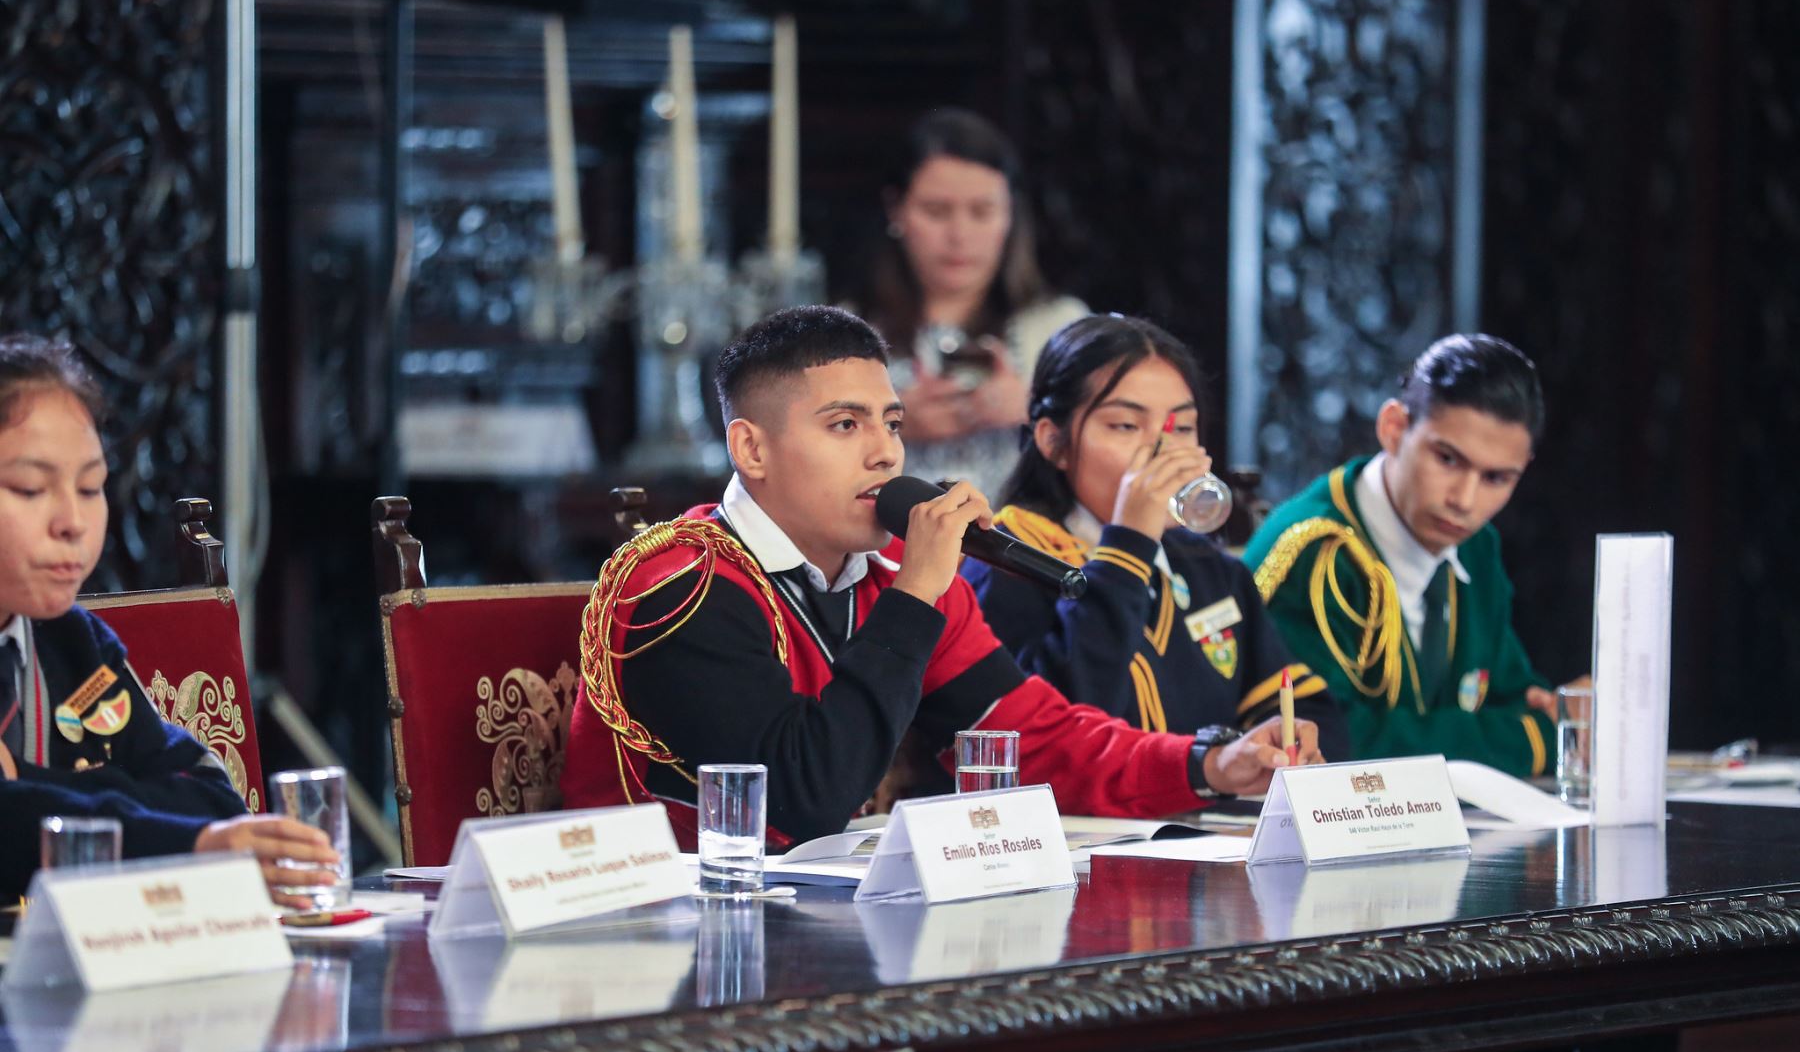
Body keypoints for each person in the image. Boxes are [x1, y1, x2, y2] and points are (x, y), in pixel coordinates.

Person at [564, 306, 1317, 849]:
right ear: (751, 450)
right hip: (674, 945)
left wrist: (1210, 762)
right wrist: (916, 597)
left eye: (891, 423)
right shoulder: (679, 585)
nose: (887, 454)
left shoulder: (893, 575)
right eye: (844, 425)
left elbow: (1037, 741)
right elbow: (804, 800)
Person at [0, 333, 339, 905]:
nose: (73, 521)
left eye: (90, 487)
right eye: (31, 488)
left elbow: (214, 800)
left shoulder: (72, 644)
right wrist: (186, 842)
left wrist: (35, 785)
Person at [967, 313, 1350, 760]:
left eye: (1181, 428)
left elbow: (1297, 704)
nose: (1162, 452)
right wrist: (1129, 541)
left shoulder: (1206, 566)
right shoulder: (1008, 556)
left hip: (1207, 824)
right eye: (1126, 427)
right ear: (1053, 442)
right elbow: (1058, 732)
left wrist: (1294, 743)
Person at [1244, 333, 1571, 776]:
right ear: (1394, 428)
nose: (1465, 499)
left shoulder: (1474, 543)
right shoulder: (1313, 552)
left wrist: (1561, 712)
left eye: (1496, 478)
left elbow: (1512, 692)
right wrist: (1536, 738)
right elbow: (1335, 744)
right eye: (1448, 459)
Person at [848, 107, 1088, 495]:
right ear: (897, 210)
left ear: (1009, 216)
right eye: (936, 211)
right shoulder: (849, 331)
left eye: (982, 211)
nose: (959, 234)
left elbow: (1117, 452)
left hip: (1029, 546)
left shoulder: (1060, 327)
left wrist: (1034, 408)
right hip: (886, 549)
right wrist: (892, 423)